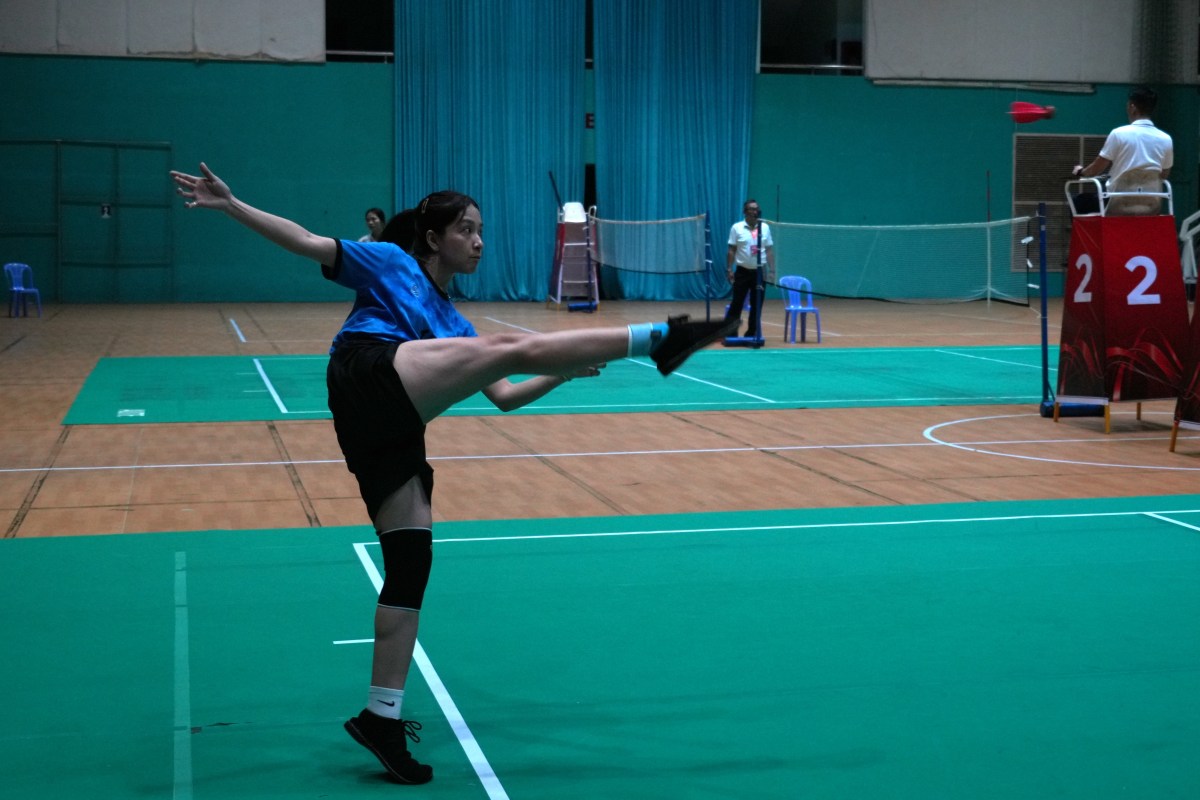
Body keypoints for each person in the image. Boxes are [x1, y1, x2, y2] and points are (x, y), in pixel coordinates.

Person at [169, 162, 735, 785]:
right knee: (507, 343)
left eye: (482, 230)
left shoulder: (452, 323)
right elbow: (305, 241)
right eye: (467, 229)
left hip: (387, 428)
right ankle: (660, 337)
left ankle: (380, 717)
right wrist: (232, 203)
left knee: (411, 565)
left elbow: (508, 395)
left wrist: (565, 372)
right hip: (367, 372)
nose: (479, 240)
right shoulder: (389, 261)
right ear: (435, 238)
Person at [1071, 86, 1173, 216]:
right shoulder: (1166, 139)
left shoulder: (1119, 134)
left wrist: (1081, 171)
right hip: (1152, 206)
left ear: (1132, 107)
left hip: (1116, 203)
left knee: (1077, 201)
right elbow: (1164, 175)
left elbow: (1095, 170)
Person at [724, 199, 775, 340]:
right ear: (745, 212)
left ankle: (751, 334)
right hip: (742, 272)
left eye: (756, 209)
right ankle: (730, 334)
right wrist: (729, 269)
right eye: (751, 209)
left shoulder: (764, 227)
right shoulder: (737, 228)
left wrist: (772, 271)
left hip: (759, 272)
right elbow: (731, 250)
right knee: (736, 304)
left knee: (757, 304)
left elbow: (769, 250)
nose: (754, 211)